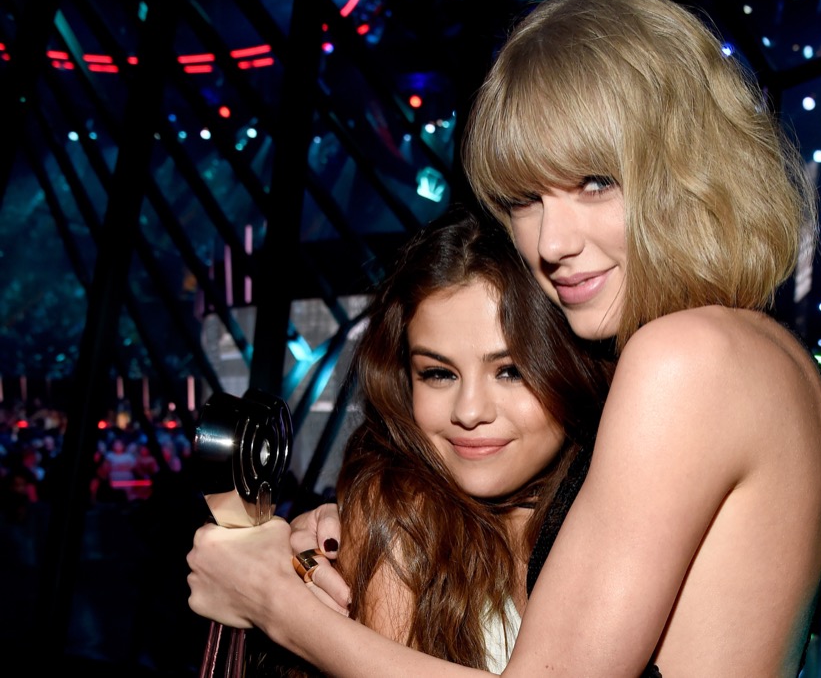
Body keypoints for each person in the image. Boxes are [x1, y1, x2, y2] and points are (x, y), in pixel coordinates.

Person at [187, 0, 821, 676]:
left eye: (595, 182)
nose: (552, 242)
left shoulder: (686, 358)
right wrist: (360, 524)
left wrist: (273, 603)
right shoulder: (768, 356)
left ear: (686, 169)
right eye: (525, 198)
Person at [197, 206, 608, 674]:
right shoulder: (402, 516)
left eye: (510, 371)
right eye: (438, 373)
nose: (469, 411)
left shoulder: (635, 510)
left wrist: (275, 603)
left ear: (573, 367)